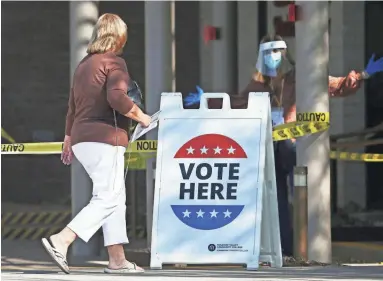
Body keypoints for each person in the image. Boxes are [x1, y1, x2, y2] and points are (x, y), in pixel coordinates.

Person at [184, 34, 383, 257]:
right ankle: (284, 250)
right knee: (275, 198)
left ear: (285, 54)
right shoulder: (258, 85)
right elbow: (239, 103)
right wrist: (208, 100)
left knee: (300, 192)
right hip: (270, 148)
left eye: (276, 52)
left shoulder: (296, 78)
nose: (273, 57)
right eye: (268, 52)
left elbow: (334, 86)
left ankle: (306, 248)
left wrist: (361, 75)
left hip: (292, 145)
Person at [41, 13, 151, 274]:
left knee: (114, 197)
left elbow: (72, 106)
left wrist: (68, 139)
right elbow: (116, 97)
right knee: (108, 197)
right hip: (106, 138)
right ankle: (62, 240)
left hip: (82, 139)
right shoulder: (115, 62)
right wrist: (141, 116)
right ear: (119, 37)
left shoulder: (84, 65)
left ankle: (117, 260)